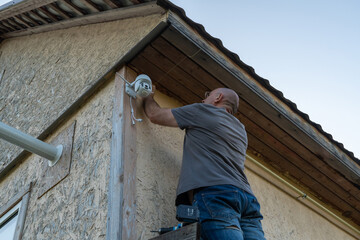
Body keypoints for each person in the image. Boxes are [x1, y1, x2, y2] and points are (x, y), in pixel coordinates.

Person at [143, 86, 266, 240]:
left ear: (218, 97)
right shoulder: (240, 129)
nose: (203, 99)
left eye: (208, 95)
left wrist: (147, 97)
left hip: (218, 195)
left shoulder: (202, 111)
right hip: (248, 200)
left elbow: (155, 115)